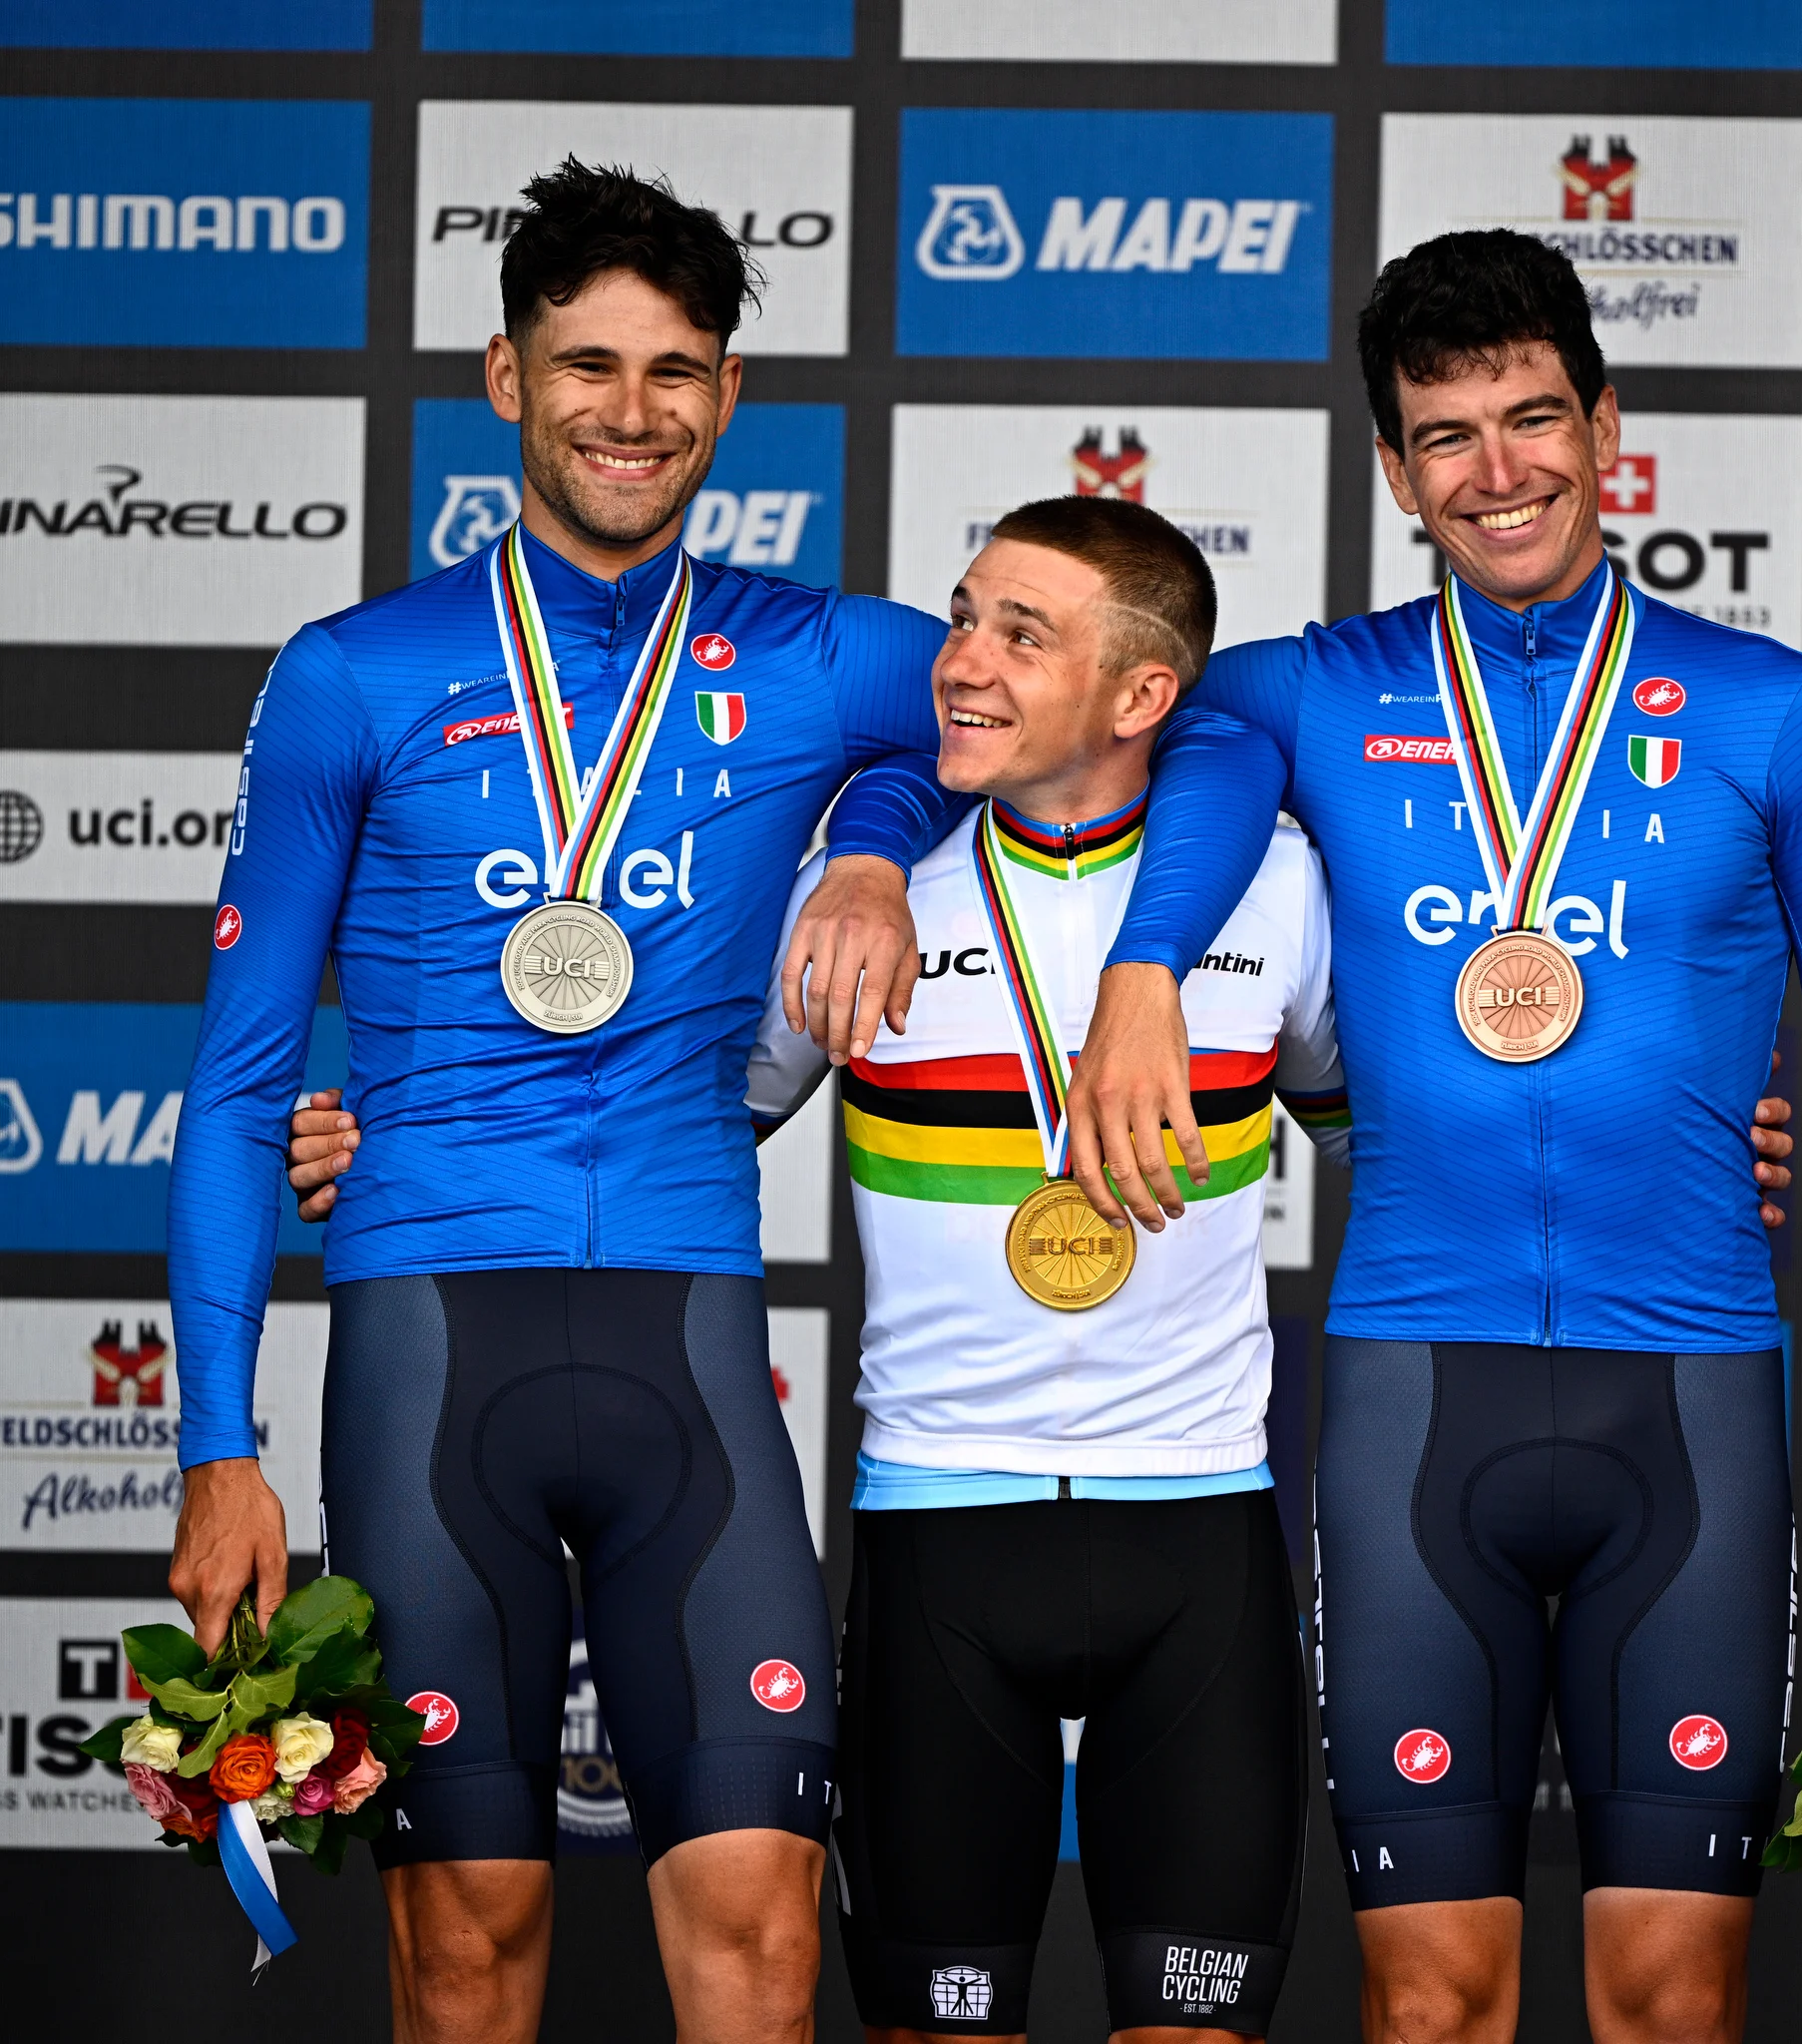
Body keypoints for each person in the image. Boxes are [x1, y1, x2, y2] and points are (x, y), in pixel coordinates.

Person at [286, 499, 1802, 2044]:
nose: (960, 661)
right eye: (960, 621)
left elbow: (1427, 1135)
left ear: (1142, 696)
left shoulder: (1278, 889)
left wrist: (1674, 1146)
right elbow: (653, 1115)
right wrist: (397, 1140)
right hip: (941, 1538)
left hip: (1197, 1543)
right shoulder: (854, 890)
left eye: (1022, 635)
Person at [817, 230, 1802, 2044]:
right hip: (1411, 1409)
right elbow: (1050, 734)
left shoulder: (1782, 714)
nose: (1498, 470)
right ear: (1393, 468)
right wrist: (1076, 942)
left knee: (1673, 1994)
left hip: (1688, 1405)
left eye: (1534, 420)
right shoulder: (1304, 694)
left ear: (1608, 423)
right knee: (1429, 1999)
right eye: (1447, 435)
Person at [161, 164, 1280, 2044]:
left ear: (728, 397)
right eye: (585, 362)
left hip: (692, 1336)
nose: (631, 408)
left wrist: (864, 840)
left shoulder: (826, 652)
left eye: (675, 369)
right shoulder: (356, 675)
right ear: (504, 377)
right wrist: (212, 1440)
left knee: (762, 1945)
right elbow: (235, 1089)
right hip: (434, 1340)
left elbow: (1195, 726)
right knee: (464, 1957)